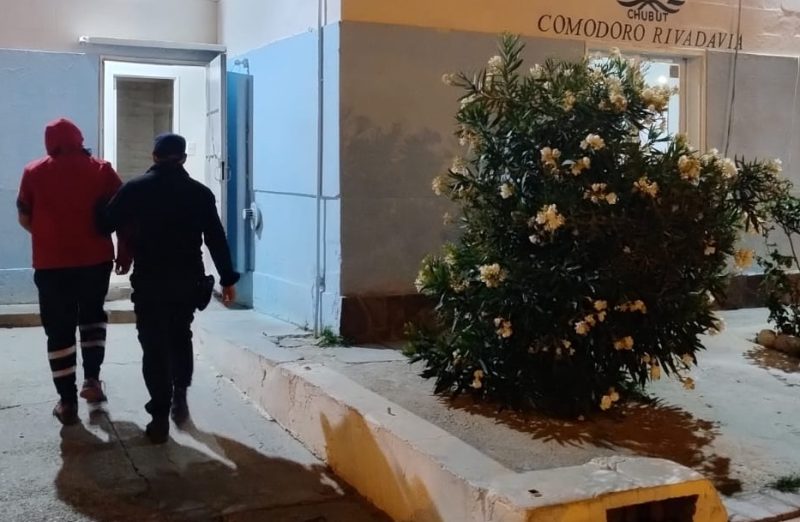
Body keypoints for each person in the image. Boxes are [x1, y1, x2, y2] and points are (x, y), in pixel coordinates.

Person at [100, 133, 239, 444]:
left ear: (154, 156)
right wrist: (228, 278)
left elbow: (106, 222)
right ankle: (180, 398)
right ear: (184, 158)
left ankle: (159, 416)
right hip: (188, 279)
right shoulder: (200, 193)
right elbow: (216, 238)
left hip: (150, 279)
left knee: (154, 346)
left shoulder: (135, 189)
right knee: (180, 335)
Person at [17, 118, 126, 426]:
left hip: (52, 265)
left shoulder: (33, 172)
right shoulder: (101, 169)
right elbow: (122, 213)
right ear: (79, 138)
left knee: (59, 330)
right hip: (96, 261)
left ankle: (66, 402)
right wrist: (124, 252)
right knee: (92, 319)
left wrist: (48, 237)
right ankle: (92, 380)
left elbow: (24, 217)